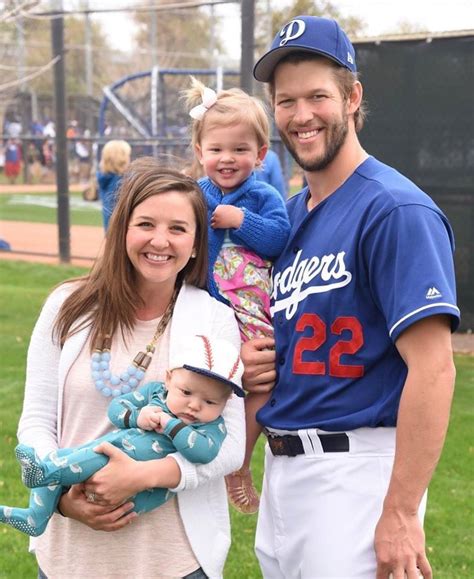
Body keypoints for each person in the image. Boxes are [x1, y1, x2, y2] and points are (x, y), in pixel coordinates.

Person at [243, 15, 460, 578]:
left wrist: (401, 511)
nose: (301, 115)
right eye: (286, 101)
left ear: (353, 96)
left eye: (318, 95)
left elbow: (434, 369)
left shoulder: (394, 209)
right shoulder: (289, 217)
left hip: (358, 473)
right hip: (286, 471)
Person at [15, 157, 244, 579]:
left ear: (196, 244)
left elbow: (229, 445)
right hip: (71, 556)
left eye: (178, 228)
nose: (160, 240)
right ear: (122, 229)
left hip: (171, 560)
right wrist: (64, 497)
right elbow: (36, 420)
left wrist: (143, 476)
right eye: (145, 224)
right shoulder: (67, 306)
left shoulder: (213, 319)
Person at [1, 334, 244, 538]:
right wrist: (138, 417)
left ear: (226, 402)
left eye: (210, 401)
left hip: (136, 490)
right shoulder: (155, 394)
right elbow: (116, 409)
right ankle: (35, 517)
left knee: (64, 465)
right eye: (187, 392)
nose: (194, 406)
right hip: (108, 451)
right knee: (64, 459)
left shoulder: (213, 427)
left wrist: (170, 424)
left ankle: (42, 473)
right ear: (169, 379)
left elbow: (204, 452)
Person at [184, 77, 291, 514]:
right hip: (212, 306)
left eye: (240, 150)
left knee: (259, 380)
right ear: (200, 152)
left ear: (260, 155)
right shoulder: (195, 195)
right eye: (217, 149)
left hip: (253, 307)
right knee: (210, 380)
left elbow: (279, 238)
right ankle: (200, 447)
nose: (227, 159)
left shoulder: (262, 196)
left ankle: (240, 461)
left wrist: (240, 219)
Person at [97, 139, 131, 231]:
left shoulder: (104, 177)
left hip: (109, 229)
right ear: (121, 159)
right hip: (122, 229)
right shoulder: (122, 180)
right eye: (127, 156)